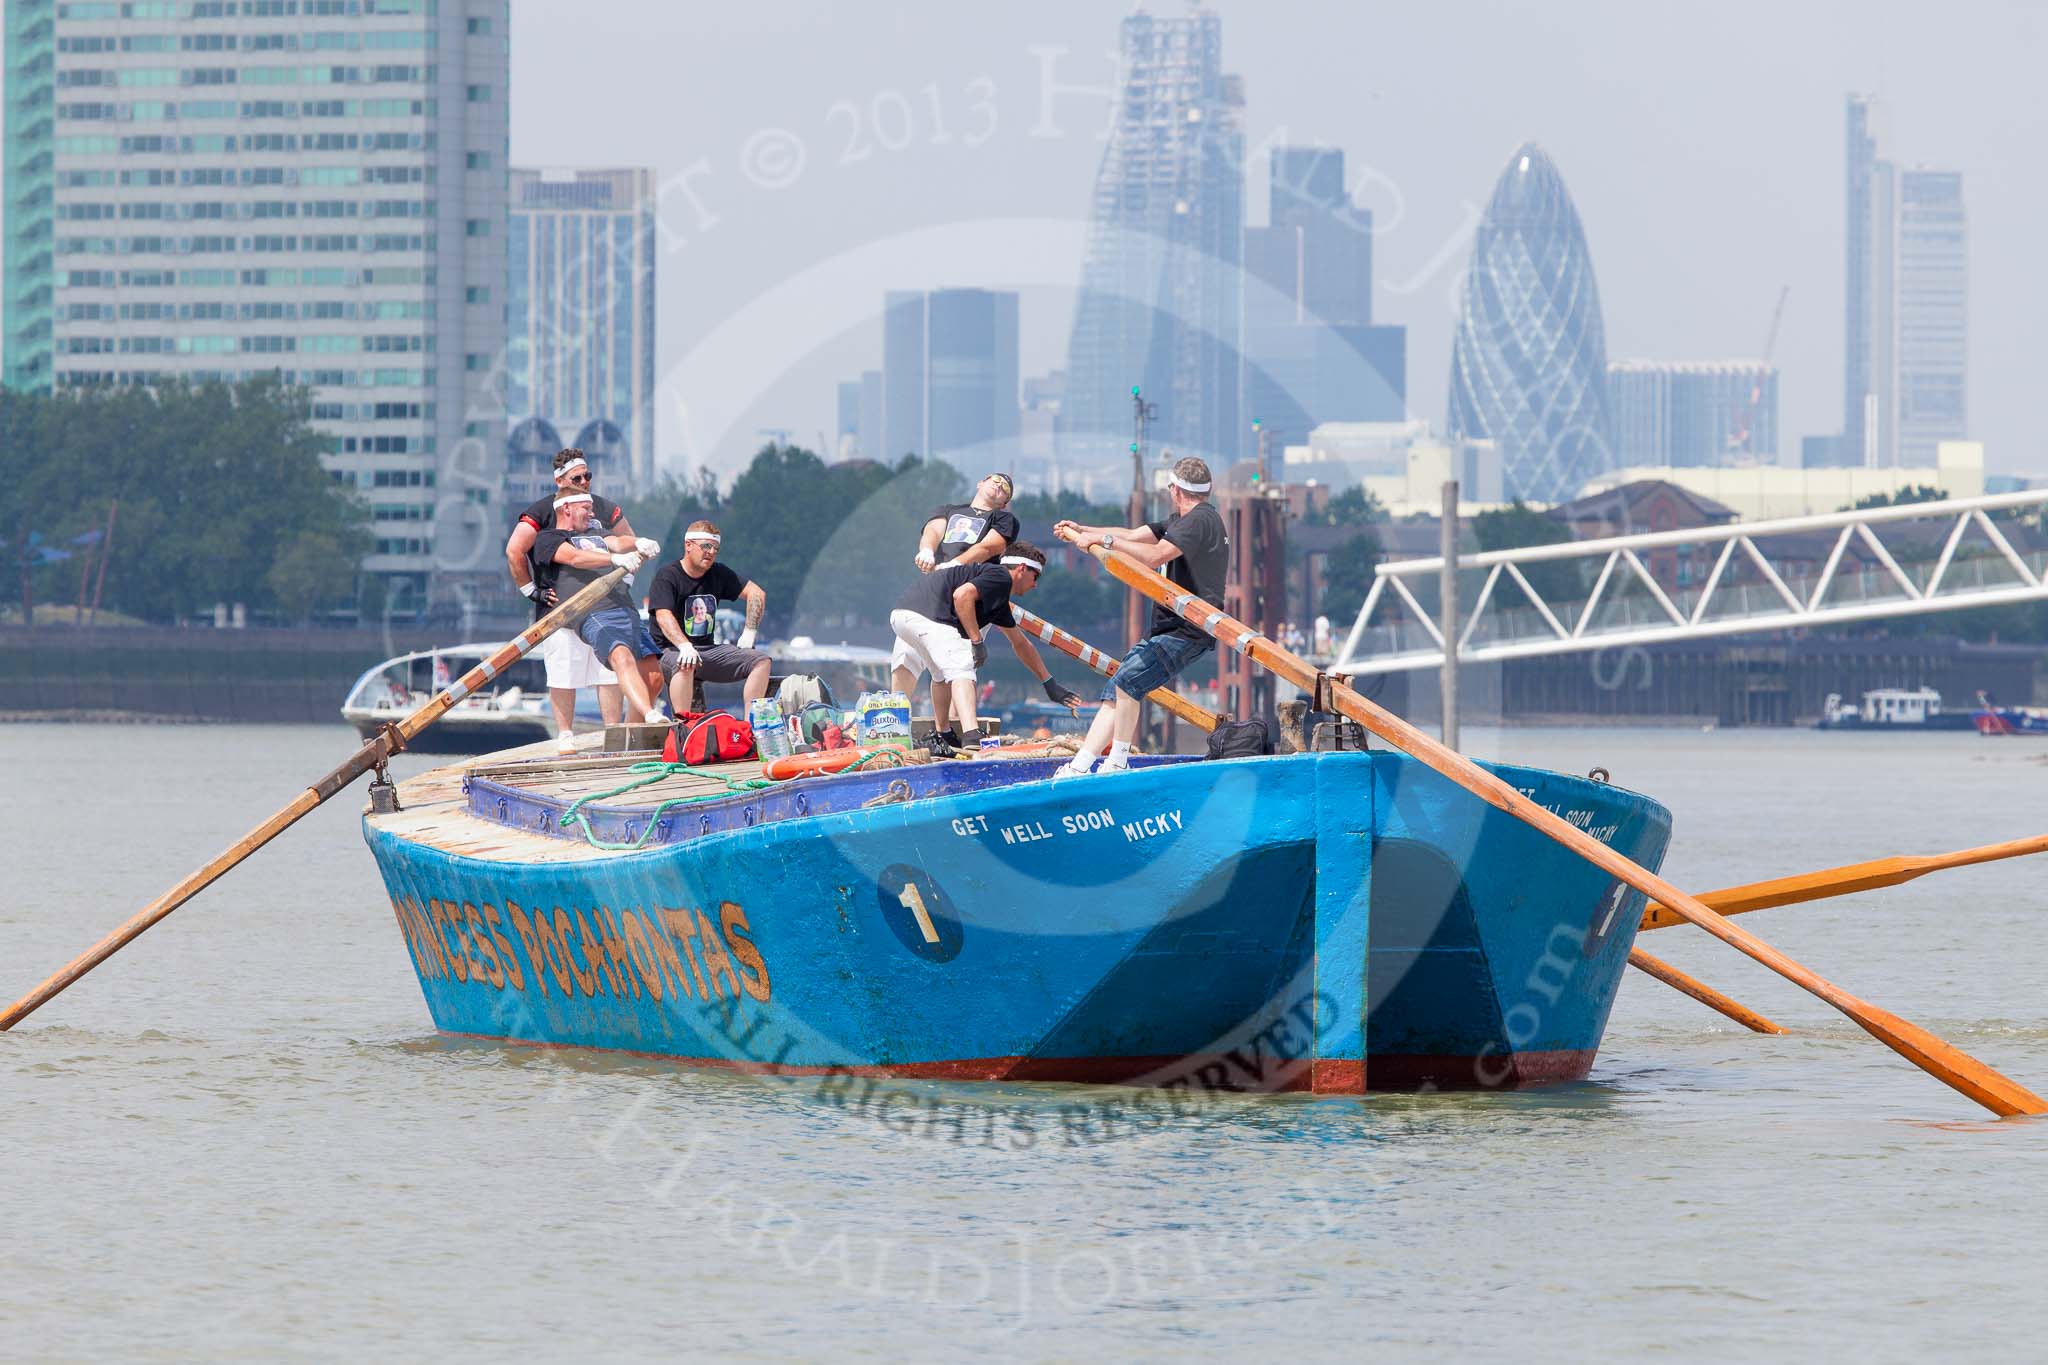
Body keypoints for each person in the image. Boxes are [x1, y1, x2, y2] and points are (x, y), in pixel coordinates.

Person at [1050, 455, 1229, 777]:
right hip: (1169, 628)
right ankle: (1079, 767)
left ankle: (1117, 762)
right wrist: (1083, 530)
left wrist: (1101, 540)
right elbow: (1132, 535)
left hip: (1187, 629)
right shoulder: (1182, 520)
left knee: (1128, 683)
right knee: (1114, 691)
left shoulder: (1200, 520)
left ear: (1175, 489)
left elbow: (1155, 555)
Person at [504, 448, 638, 751]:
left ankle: (613, 732)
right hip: (561, 608)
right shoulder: (541, 511)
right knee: (564, 671)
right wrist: (531, 591)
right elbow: (514, 550)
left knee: (608, 672)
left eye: (588, 476)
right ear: (560, 481)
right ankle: (565, 734)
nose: (584, 481)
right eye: (577, 477)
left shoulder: (603, 507)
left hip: (605, 606)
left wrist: (626, 579)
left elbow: (629, 543)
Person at [888, 542, 1076, 756]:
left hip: (901, 615)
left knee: (940, 674)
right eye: (1036, 577)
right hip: (925, 616)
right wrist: (977, 642)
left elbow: (1021, 643)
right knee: (963, 666)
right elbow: (962, 596)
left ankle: (944, 733)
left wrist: (1048, 682)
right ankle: (972, 735)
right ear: (1022, 568)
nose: (1035, 585)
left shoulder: (996, 598)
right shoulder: (1001, 577)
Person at [530, 490, 666, 726]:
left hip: (623, 606)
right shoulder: (547, 538)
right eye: (586, 508)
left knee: (654, 678)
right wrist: (613, 559)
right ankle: (650, 714)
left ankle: (630, 733)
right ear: (567, 509)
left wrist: (638, 542)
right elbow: (575, 558)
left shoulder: (596, 532)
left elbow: (617, 541)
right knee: (621, 656)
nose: (592, 513)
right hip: (591, 611)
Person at [896, 472, 1022, 718]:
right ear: (980, 483)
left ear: (1005, 501)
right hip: (934, 592)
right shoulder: (949, 510)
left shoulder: (1003, 518)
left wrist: (955, 563)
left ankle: (955, 727)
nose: (999, 485)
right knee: (905, 655)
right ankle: (893, 721)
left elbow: (990, 546)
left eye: (1005, 487)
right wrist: (927, 551)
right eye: (995, 479)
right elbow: (933, 530)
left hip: (971, 594)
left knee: (959, 664)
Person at [646, 520, 774, 716]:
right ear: (688, 546)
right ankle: (684, 728)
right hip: (668, 651)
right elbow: (664, 616)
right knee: (685, 662)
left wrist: (749, 632)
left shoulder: (718, 573)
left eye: (716, 547)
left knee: (761, 661)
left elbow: (757, 594)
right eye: (706, 546)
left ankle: (753, 728)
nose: (711, 552)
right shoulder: (668, 575)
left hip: (707, 650)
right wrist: (684, 645)